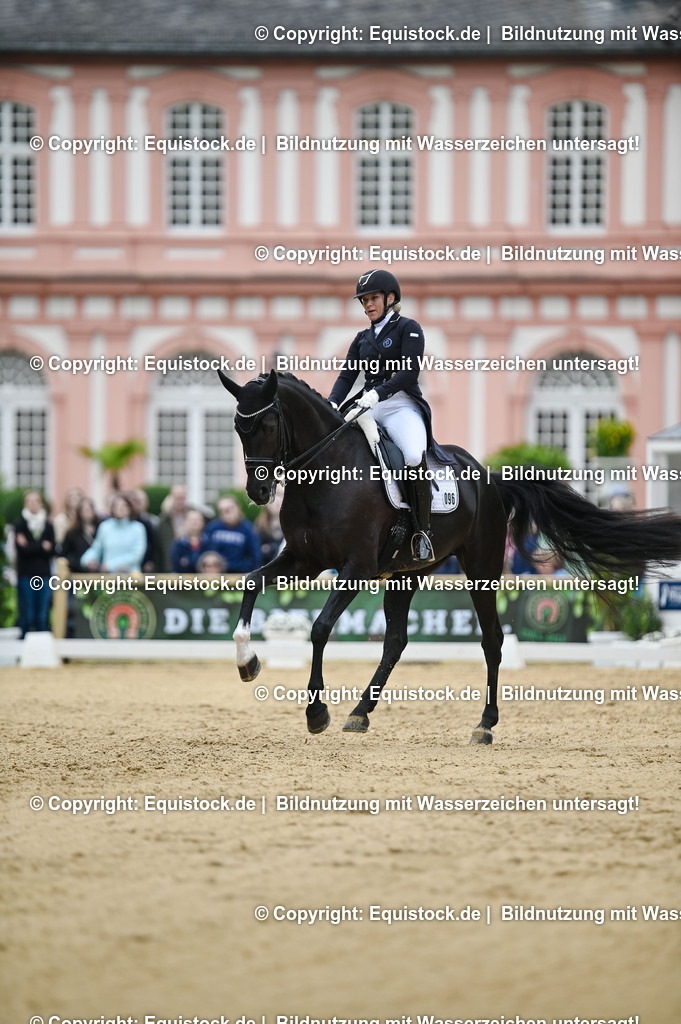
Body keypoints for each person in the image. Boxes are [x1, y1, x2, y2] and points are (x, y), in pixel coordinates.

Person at [328, 269, 445, 564]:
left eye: (373, 298)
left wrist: (379, 394)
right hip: (369, 404)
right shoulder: (361, 339)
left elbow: (409, 372)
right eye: (364, 300)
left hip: (400, 404)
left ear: (390, 298)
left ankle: (422, 532)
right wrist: (331, 403)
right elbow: (346, 377)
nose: (368, 305)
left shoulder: (409, 328)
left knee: (413, 454)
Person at [13, 490, 55, 637]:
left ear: (41, 503)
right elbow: (22, 550)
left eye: (36, 500)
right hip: (26, 575)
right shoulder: (20, 524)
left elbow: (52, 550)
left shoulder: (48, 525)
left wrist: (30, 545)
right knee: (27, 614)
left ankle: (44, 647)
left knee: (42, 615)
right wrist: (41, 545)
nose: (33, 504)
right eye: (29, 501)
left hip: (44, 574)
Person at [81, 493, 147, 572]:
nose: (120, 508)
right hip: (109, 577)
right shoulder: (105, 527)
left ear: (130, 508)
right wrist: (87, 560)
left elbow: (136, 555)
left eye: (124, 505)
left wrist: (110, 565)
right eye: (117, 506)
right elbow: (97, 549)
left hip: (131, 576)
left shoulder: (138, 528)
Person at [200, 495, 261, 573]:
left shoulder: (248, 529)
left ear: (238, 508)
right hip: (215, 575)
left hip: (240, 575)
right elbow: (205, 552)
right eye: (222, 510)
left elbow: (256, 557)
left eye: (229, 509)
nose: (225, 513)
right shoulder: (212, 528)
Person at [59, 496, 101, 572]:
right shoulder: (72, 533)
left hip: (100, 574)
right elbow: (64, 555)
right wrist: (81, 563)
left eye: (89, 509)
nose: (87, 512)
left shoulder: (101, 529)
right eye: (84, 510)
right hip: (78, 574)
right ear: (79, 512)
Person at [157, 484, 188, 571]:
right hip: (169, 566)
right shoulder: (163, 520)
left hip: (190, 567)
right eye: (177, 498)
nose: (180, 501)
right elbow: (158, 547)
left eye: (182, 498)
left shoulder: (194, 515)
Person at [254, 489, 284, 564]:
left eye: (279, 503)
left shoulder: (291, 526)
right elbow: (256, 549)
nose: (276, 506)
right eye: (273, 504)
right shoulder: (260, 525)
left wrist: (270, 548)